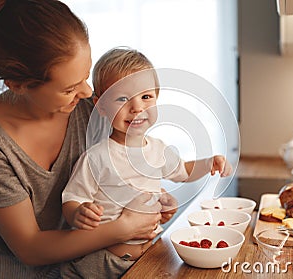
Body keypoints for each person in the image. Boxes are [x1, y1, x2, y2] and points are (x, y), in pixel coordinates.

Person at [0, 1, 177, 278]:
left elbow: (120, 166)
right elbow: (29, 248)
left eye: (85, 76)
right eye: (69, 88)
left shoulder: (89, 107)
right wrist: (122, 229)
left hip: (75, 256)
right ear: (17, 85)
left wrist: (147, 194)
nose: (87, 91)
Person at [60, 47, 233, 278]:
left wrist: (209, 162)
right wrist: (77, 213)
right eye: (122, 99)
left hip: (150, 255)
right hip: (104, 262)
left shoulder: (158, 149)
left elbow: (183, 171)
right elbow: (73, 197)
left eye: (146, 97)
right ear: (101, 105)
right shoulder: (96, 157)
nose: (137, 108)